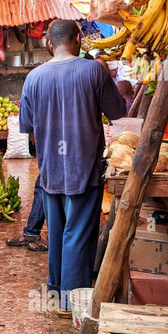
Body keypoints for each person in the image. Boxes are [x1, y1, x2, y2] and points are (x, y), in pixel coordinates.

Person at [19, 20, 126, 310]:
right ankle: (73, 300)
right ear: (78, 39)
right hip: (85, 167)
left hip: (51, 169)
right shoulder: (93, 71)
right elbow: (119, 112)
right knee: (78, 235)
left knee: (57, 233)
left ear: (49, 44)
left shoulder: (34, 77)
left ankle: (56, 290)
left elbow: (26, 126)